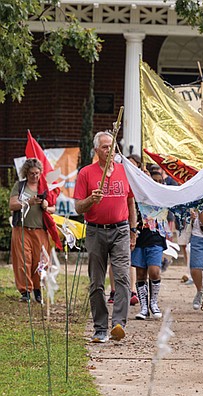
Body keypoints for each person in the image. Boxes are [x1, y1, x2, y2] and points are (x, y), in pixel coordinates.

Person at [74, 131, 137, 343]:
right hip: (95, 230)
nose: (109, 151)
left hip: (120, 230)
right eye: (104, 147)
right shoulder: (86, 173)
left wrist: (133, 229)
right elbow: (79, 207)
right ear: (96, 150)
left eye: (111, 146)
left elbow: (131, 202)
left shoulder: (124, 171)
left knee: (122, 278)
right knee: (97, 282)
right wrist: (91, 199)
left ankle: (119, 324)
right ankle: (100, 327)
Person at [9, 158, 55, 303]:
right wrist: (27, 202)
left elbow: (54, 208)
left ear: (41, 173)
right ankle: (25, 291)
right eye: (31, 174)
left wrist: (47, 207)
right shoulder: (20, 186)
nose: (34, 176)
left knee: (40, 261)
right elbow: (12, 204)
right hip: (22, 228)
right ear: (26, 173)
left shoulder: (44, 188)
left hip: (40, 230)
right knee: (23, 260)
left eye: (37, 173)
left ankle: (38, 288)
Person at [131, 170, 167, 320]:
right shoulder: (139, 197)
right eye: (154, 181)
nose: (157, 184)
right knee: (140, 273)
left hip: (156, 238)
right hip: (139, 238)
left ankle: (154, 303)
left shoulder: (164, 197)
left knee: (154, 271)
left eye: (160, 181)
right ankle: (144, 307)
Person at [108, 153, 142, 306]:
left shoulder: (142, 182)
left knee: (130, 260)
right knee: (114, 260)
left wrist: (133, 230)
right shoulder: (121, 177)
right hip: (119, 225)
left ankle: (132, 290)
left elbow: (132, 206)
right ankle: (115, 290)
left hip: (134, 226)